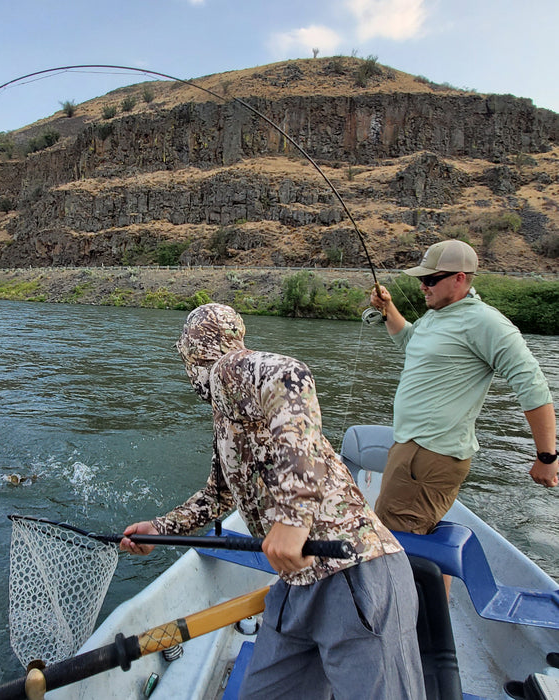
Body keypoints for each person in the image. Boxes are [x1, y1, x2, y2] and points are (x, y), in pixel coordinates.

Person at [121, 303, 425, 700]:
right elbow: (220, 493)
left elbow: (290, 374)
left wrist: (294, 517)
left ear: (193, 353)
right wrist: (161, 529)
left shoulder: (227, 370)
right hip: (296, 583)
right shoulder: (227, 410)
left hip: (355, 571)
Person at [369, 239, 557, 550]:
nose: (422, 287)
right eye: (421, 279)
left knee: (399, 542)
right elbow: (411, 342)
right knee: (420, 541)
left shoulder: (486, 322)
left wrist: (546, 456)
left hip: (430, 455)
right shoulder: (438, 314)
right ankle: (430, 599)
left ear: (459, 278)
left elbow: (532, 383)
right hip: (412, 448)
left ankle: (410, 600)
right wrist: (388, 309)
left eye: (430, 280)